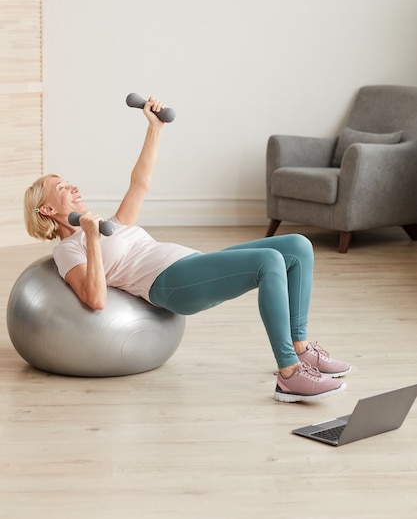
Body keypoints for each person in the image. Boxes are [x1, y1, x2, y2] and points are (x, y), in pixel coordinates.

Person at [24, 97, 351, 403]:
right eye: (61, 188)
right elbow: (94, 298)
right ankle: (289, 373)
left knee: (297, 246)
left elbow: (140, 183)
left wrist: (154, 128)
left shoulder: (113, 223)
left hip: (191, 263)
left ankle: (301, 348)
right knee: (269, 261)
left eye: (68, 182)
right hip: (170, 284)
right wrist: (91, 239)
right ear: (47, 211)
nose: (73, 187)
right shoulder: (68, 249)